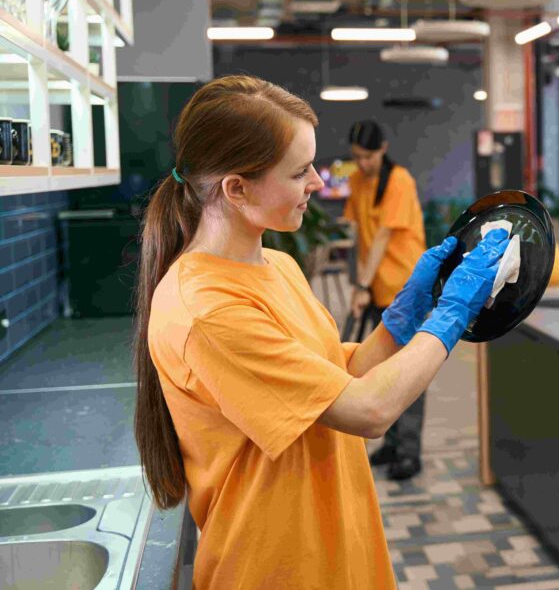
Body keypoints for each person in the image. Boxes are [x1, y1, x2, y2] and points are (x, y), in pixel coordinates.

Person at [133, 75, 509, 589]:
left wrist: (404, 315)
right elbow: (367, 410)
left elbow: (339, 377)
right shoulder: (206, 310)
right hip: (277, 568)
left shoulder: (278, 266)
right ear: (236, 189)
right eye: (298, 171)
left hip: (340, 550)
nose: (317, 182)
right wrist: (451, 314)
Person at [343, 119, 430, 480]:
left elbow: (381, 237)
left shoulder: (399, 180)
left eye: (368, 156)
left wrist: (362, 284)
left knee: (408, 370)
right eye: (357, 157)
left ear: (383, 148)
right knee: (383, 367)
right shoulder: (357, 180)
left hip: (407, 289)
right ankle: (392, 444)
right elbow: (358, 234)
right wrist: (360, 285)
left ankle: (410, 452)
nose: (362, 163)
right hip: (378, 288)